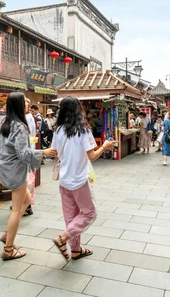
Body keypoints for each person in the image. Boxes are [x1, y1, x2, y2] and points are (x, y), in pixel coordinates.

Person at [0, 92, 56, 260]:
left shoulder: (3, 122)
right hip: (16, 170)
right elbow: (23, 153)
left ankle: (8, 234)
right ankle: (8, 250)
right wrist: (44, 152)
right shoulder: (19, 126)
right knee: (15, 210)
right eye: (25, 103)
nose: (28, 105)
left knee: (26, 202)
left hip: (7, 168)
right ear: (18, 105)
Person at [51, 97, 114, 261]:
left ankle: (76, 250)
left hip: (64, 181)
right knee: (89, 213)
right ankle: (63, 238)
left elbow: (55, 153)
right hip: (79, 180)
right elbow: (92, 156)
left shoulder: (58, 130)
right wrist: (105, 146)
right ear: (79, 110)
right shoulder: (83, 130)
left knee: (71, 216)